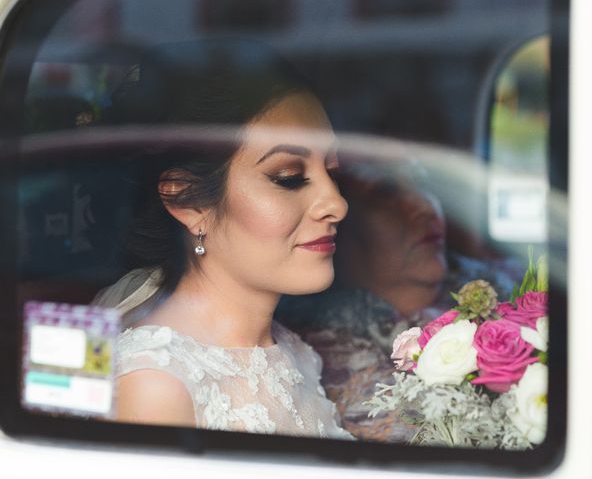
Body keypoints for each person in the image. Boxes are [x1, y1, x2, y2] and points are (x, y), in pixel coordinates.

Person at [91, 39, 352, 439]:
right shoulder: (155, 385)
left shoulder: (296, 354)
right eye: (288, 178)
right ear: (187, 200)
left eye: (331, 172)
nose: (336, 203)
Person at [278, 157, 521, 442]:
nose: (425, 207)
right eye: (387, 192)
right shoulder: (328, 352)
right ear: (336, 223)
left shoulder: (506, 279)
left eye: (423, 184)